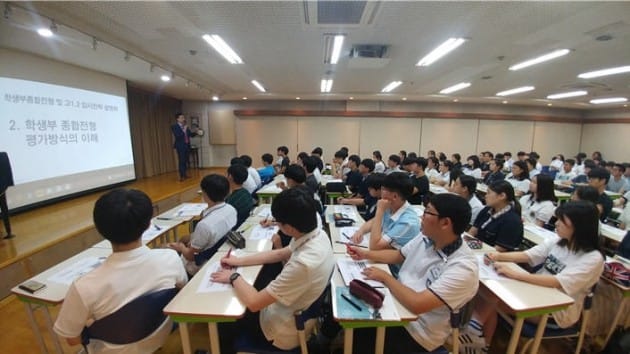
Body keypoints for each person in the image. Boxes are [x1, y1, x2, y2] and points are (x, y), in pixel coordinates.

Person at [54, 189, 188, 353]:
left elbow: (73, 339)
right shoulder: (170, 258)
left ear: (100, 228)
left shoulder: (84, 287)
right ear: (147, 224)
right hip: (159, 336)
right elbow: (182, 291)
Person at [345, 193, 478, 353]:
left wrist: (386, 277)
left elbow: (417, 304)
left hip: (418, 331)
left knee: (364, 336)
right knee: (356, 323)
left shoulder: (463, 268)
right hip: (397, 303)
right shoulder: (426, 237)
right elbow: (398, 255)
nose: (422, 216)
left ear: (445, 223)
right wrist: (365, 254)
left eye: (428, 212)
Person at [464, 201, 604, 353]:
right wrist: (498, 256)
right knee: (487, 290)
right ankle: (478, 336)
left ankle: (475, 329)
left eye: (562, 221)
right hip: (535, 291)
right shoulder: (560, 241)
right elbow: (528, 255)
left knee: (493, 297)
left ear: (579, 226)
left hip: (557, 311)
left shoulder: (593, 258)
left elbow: (558, 282)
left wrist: (517, 275)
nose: (556, 224)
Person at [211, 188, 334, 351]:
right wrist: (238, 260)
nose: (276, 224)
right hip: (295, 311)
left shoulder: (304, 265)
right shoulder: (318, 234)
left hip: (279, 331)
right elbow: (281, 253)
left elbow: (254, 303)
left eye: (278, 222)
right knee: (257, 280)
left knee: (225, 318)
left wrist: (233, 276)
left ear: (289, 228)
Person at [169, 174, 237, 275]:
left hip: (200, 264)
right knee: (184, 239)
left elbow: (191, 256)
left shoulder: (205, 225)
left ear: (204, 194)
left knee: (166, 248)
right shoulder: (231, 209)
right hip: (218, 252)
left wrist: (181, 248)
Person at [351, 172, 420, 252]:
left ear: (394, 196)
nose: (381, 192)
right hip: (380, 256)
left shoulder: (408, 223)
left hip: (390, 264)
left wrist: (379, 211)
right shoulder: (391, 205)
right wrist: (361, 231)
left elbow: (375, 246)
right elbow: (374, 221)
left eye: (383, 189)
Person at [469, 180, 523, 251]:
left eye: (488, 193)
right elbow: (472, 232)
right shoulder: (487, 209)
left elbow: (498, 250)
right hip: (478, 248)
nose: (485, 196)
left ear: (502, 196)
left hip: (493, 256)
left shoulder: (512, 221)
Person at [226, 164, 254, 230]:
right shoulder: (246, 193)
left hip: (235, 229)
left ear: (230, 177)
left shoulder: (231, 200)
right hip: (244, 225)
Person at [171, 113, 192, 181]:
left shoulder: (185, 126)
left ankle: (185, 174)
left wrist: (197, 132)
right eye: (182, 117)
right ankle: (181, 176)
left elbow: (190, 134)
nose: (183, 119)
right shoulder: (175, 126)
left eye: (183, 117)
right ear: (177, 119)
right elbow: (178, 136)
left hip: (187, 145)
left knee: (185, 160)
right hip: (180, 146)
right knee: (181, 160)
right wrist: (184, 130)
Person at [0, 152, 14, 239]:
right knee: (4, 209)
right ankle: (8, 232)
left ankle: (8, 232)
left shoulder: (2, 156)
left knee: (4, 210)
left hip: (1, 188)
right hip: (2, 188)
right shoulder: (3, 156)